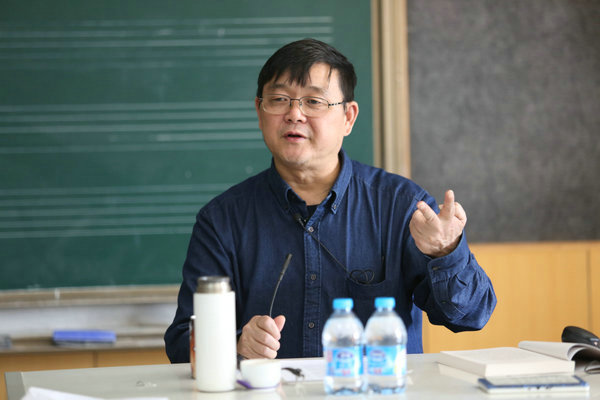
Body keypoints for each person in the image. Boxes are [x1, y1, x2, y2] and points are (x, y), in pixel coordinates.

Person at [164, 38, 496, 362]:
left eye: (313, 101)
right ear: (259, 110)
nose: (294, 114)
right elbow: (181, 343)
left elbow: (470, 316)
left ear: (349, 117)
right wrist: (236, 344)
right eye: (279, 99)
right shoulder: (223, 220)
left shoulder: (401, 206)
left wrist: (445, 253)